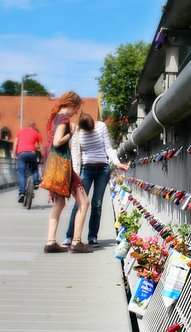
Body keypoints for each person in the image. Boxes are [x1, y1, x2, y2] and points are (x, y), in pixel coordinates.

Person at [63, 112, 129, 248]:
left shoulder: (101, 127)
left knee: (97, 204)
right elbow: (75, 155)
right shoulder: (76, 133)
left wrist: (117, 163)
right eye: (88, 130)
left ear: (94, 121)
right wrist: (75, 176)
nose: (91, 131)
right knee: (79, 203)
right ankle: (70, 236)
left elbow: (108, 148)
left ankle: (92, 236)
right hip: (86, 169)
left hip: (103, 169)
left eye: (92, 128)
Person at [43, 91, 93, 254]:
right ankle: (76, 241)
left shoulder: (55, 117)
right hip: (63, 165)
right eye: (76, 109)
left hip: (53, 165)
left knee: (59, 203)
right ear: (71, 104)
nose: (76, 112)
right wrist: (71, 133)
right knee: (84, 202)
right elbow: (57, 142)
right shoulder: (64, 119)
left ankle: (50, 242)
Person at [13, 120, 42, 203]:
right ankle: (36, 182)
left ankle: (21, 193)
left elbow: (15, 144)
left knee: (21, 174)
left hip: (21, 154)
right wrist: (43, 157)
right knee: (34, 167)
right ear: (34, 126)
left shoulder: (20, 132)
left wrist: (15, 155)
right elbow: (41, 147)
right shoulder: (36, 133)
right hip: (32, 153)